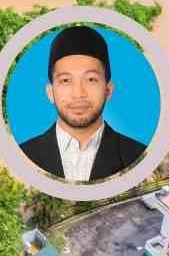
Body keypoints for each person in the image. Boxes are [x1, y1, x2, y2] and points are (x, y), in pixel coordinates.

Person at [18, 25, 147, 183]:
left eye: (91, 79)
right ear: (50, 93)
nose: (78, 93)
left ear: (108, 90)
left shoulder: (138, 155)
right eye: (66, 80)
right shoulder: (23, 155)